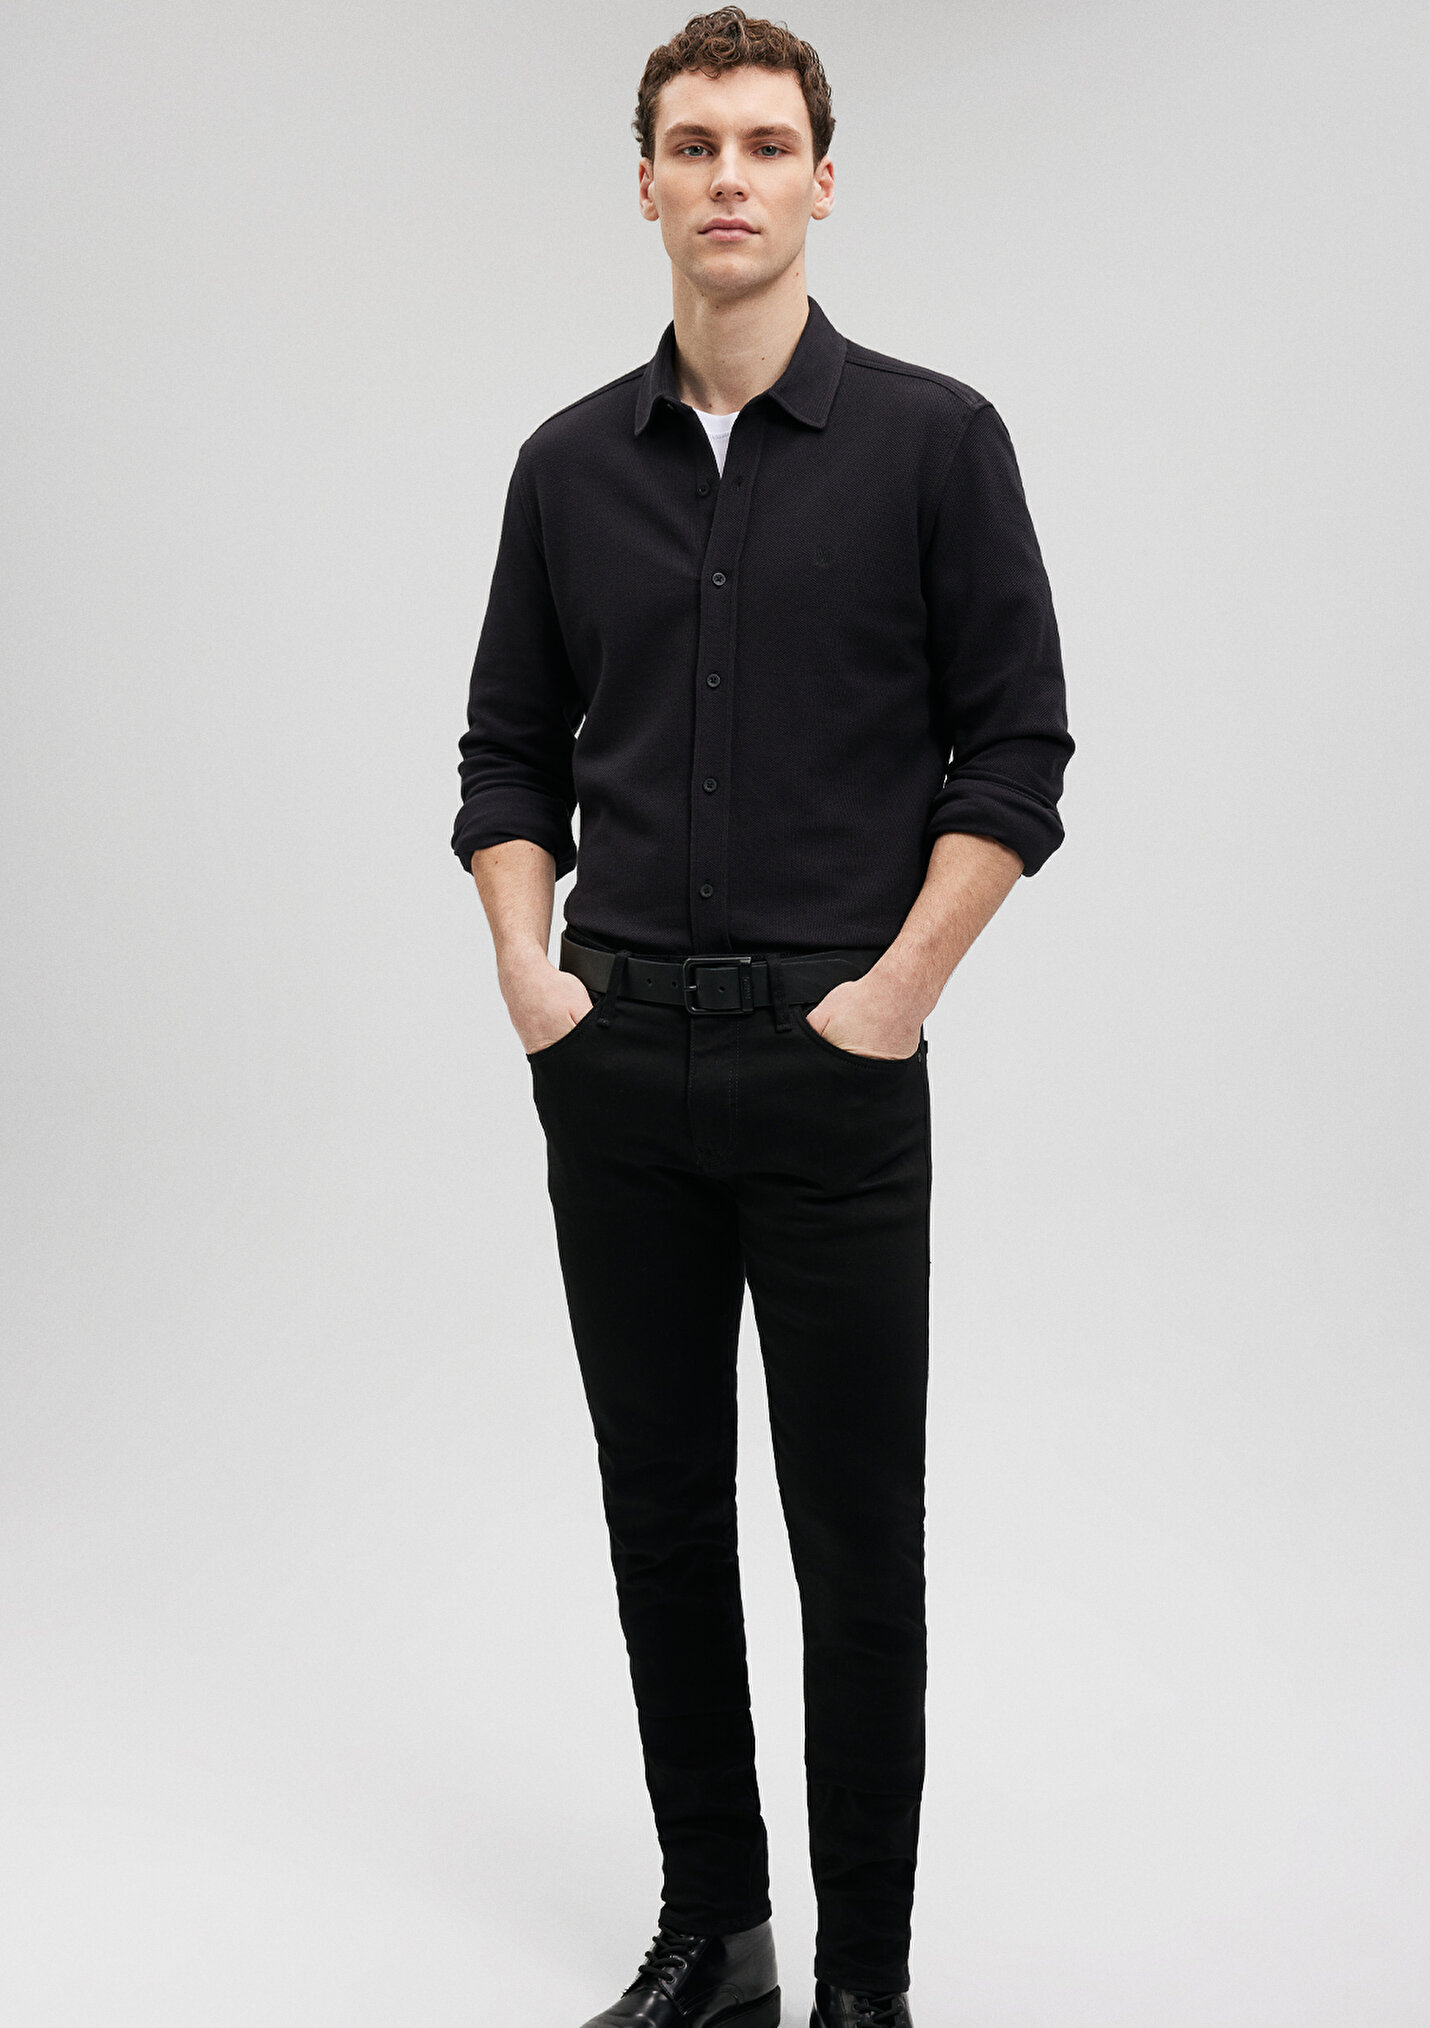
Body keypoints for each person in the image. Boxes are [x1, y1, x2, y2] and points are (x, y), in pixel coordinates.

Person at [450, 9, 1072, 2024]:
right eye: (695, 144)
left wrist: (891, 998)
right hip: (615, 1063)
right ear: (643, 183)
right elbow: (504, 754)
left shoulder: (933, 444)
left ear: (821, 180)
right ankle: (714, 1937)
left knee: (854, 1545)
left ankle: (864, 1985)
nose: (730, 176)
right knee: (660, 1522)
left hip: (833, 1068)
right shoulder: (566, 469)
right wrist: (532, 977)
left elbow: (1017, 755)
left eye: (764, 143)